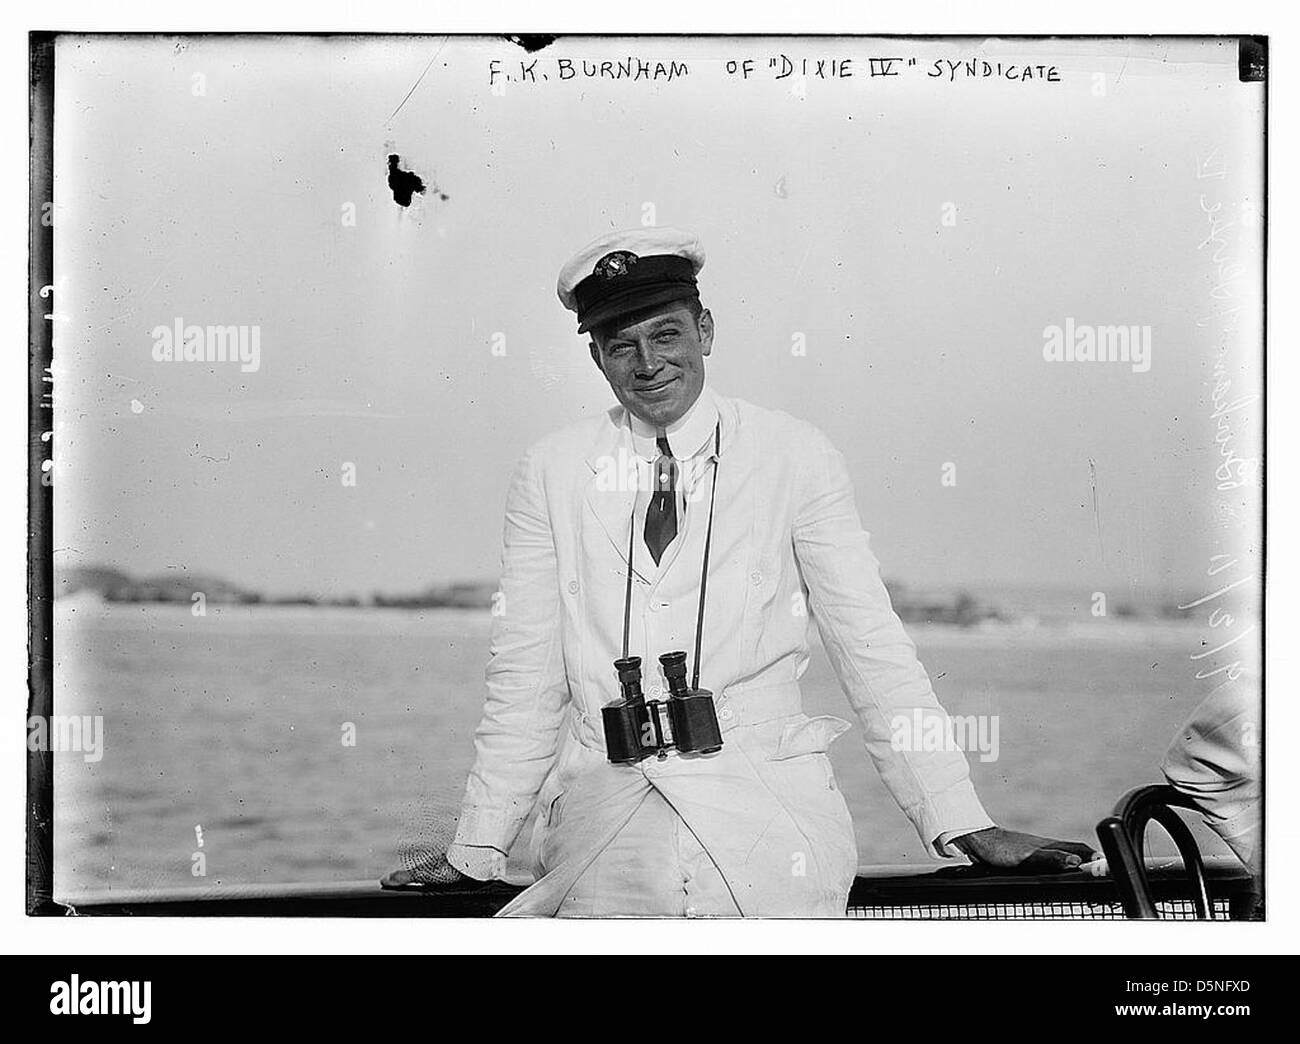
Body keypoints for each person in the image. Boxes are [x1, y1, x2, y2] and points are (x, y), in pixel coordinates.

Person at [382, 227, 1095, 915]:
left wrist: (961, 819)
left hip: (770, 822)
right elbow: (525, 678)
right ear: (597, 359)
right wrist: (478, 844)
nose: (648, 363)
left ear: (706, 332)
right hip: (604, 831)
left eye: (666, 335)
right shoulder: (551, 471)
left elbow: (871, 649)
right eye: (620, 346)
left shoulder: (795, 455)